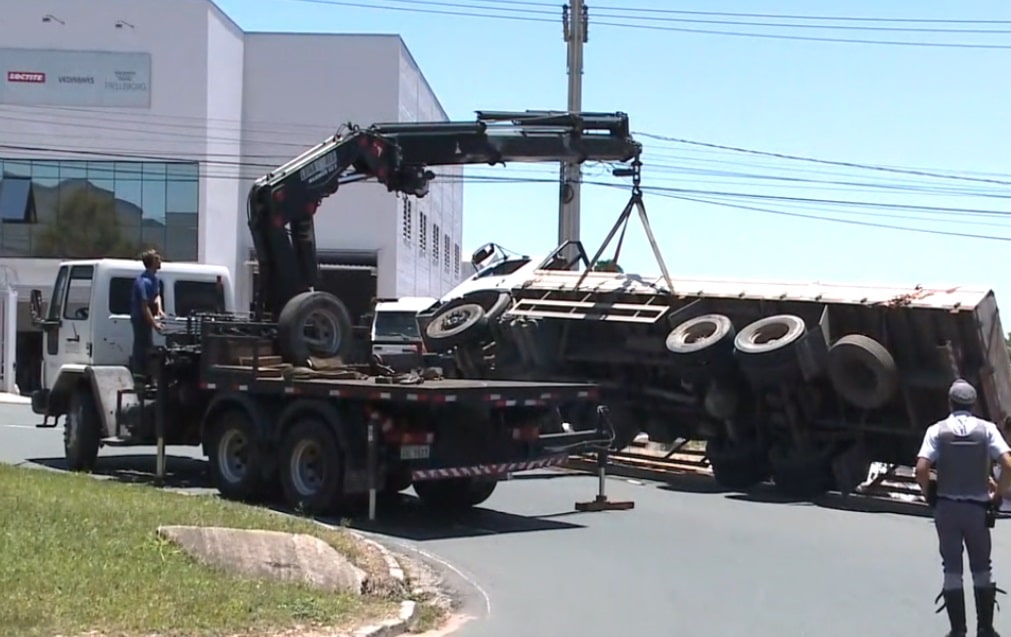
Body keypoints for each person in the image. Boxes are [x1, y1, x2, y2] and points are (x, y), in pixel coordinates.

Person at [916, 378, 1011, 637]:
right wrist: (997, 494)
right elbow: (1009, 464)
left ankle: (958, 630)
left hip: (947, 507)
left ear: (950, 402)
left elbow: (922, 468)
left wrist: (930, 496)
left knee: (952, 569)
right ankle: (985, 628)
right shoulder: (987, 429)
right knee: (982, 567)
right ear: (973, 403)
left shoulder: (936, 430)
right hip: (977, 509)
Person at [130, 249, 165, 380]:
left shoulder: (154, 279)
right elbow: (144, 308)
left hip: (147, 318)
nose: (160, 260)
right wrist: (155, 325)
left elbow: (157, 296)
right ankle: (139, 378)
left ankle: (148, 376)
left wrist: (160, 310)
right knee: (142, 346)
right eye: (157, 259)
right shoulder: (142, 282)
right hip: (140, 319)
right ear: (152, 263)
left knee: (149, 347)